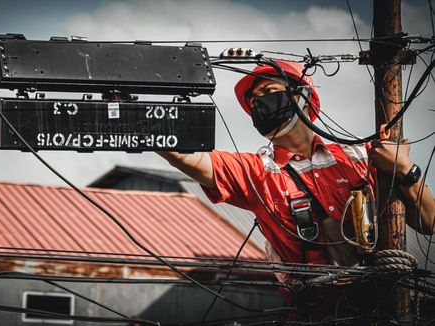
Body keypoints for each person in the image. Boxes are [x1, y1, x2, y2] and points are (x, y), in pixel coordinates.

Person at [157, 60, 435, 298]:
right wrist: (137, 120)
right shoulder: (258, 172)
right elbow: (188, 156)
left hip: (384, 307)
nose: (259, 105)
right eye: (254, 102)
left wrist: (405, 170)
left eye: (268, 92)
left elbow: (429, 222)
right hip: (315, 314)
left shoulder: (361, 157)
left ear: (302, 96)